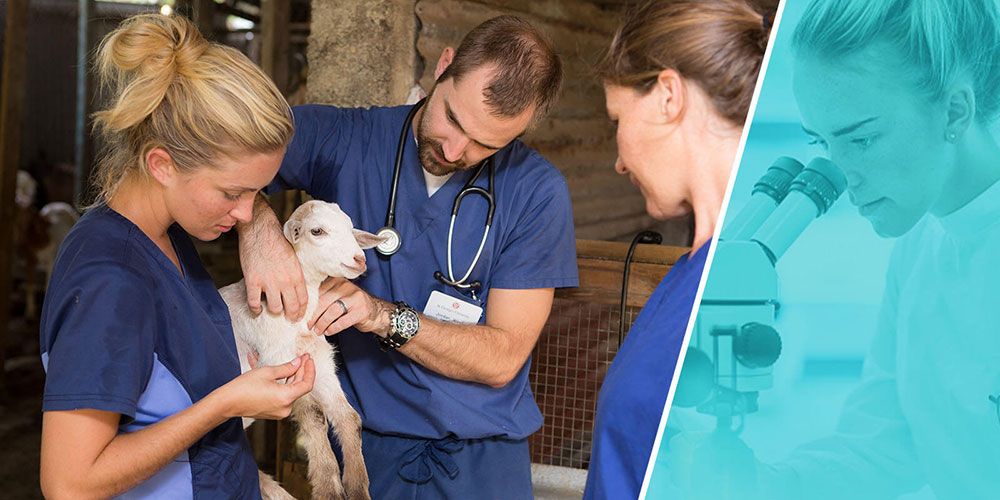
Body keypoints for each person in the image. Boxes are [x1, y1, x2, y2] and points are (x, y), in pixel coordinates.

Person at [237, 15, 578, 499]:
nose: (457, 149)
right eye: (453, 119)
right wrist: (259, 228)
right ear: (443, 66)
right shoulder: (345, 139)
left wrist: (380, 315)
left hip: (483, 460)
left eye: (486, 144)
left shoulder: (537, 191)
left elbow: (503, 358)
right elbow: (218, 157)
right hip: (366, 450)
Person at [671, 0, 1000, 498]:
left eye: (861, 140)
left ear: (955, 109)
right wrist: (758, 483)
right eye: (821, 144)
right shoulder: (917, 250)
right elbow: (884, 446)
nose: (842, 177)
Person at [38, 14, 315, 499]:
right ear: (161, 164)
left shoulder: (168, 236)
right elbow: (69, 484)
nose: (248, 211)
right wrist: (225, 404)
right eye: (233, 192)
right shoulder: (111, 277)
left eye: (258, 193)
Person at [582, 0, 772, 498]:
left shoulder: (747, 282)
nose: (620, 161)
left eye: (616, 119)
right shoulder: (689, 273)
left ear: (668, 95)